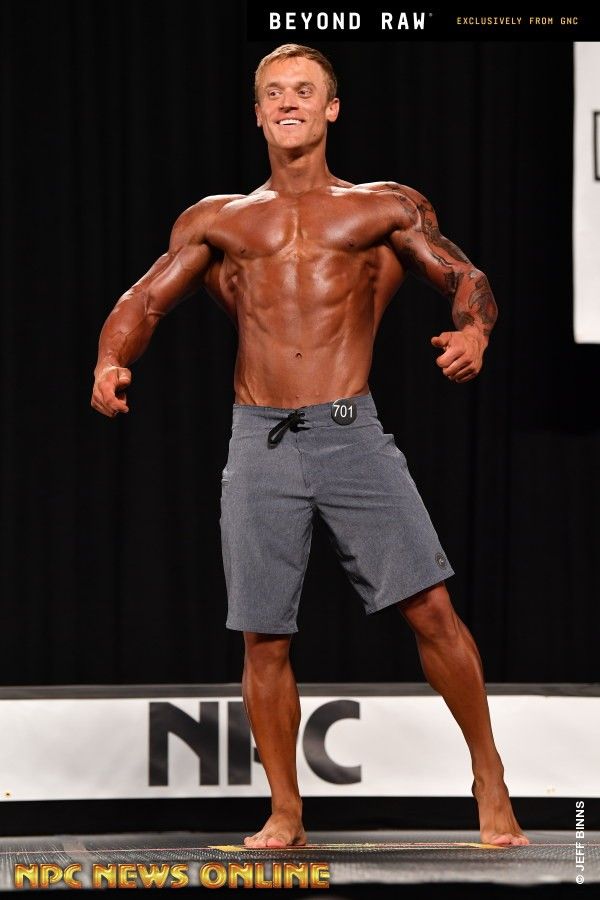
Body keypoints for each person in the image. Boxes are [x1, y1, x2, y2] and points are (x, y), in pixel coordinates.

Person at [91, 43, 529, 849]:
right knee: (264, 636)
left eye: (303, 90)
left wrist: (474, 331)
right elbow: (144, 300)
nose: (287, 101)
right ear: (257, 114)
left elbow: (463, 275)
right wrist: (110, 359)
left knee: (432, 609)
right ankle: (286, 812)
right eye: (273, 92)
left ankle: (489, 775)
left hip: (349, 431)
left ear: (331, 109)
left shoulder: (382, 207)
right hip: (259, 438)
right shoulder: (219, 219)